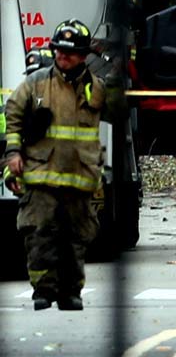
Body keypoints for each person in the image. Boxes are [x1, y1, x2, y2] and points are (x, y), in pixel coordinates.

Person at [4, 19, 105, 311]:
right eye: (59, 50)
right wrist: (13, 154)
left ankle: (71, 292)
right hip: (41, 175)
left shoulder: (96, 88)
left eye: (70, 52)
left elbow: (120, 110)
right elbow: (13, 115)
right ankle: (43, 290)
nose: (63, 56)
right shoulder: (36, 83)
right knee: (39, 233)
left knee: (76, 238)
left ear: (83, 55)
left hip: (79, 176)